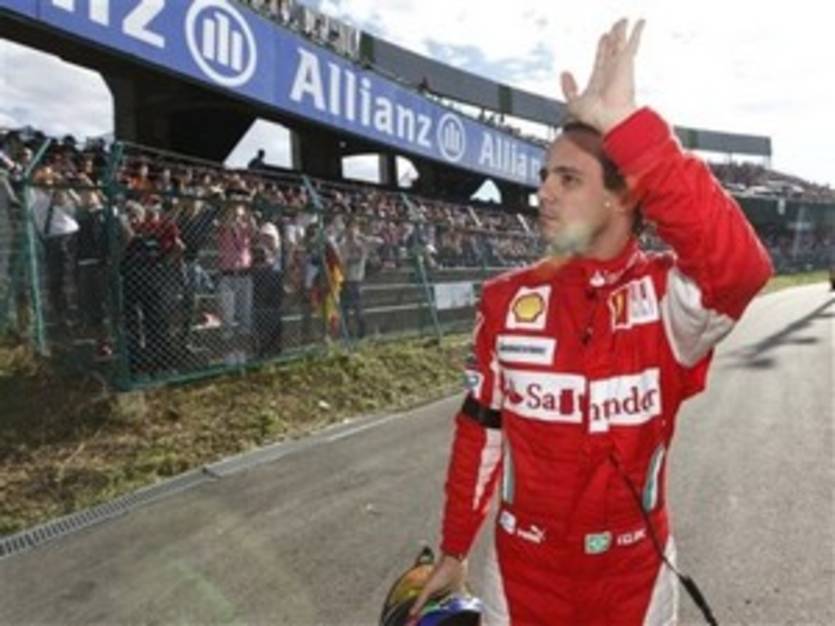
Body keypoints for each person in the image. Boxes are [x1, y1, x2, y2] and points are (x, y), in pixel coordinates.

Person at [409, 19, 773, 626]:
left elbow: (741, 268)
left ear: (621, 196)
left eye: (568, 178)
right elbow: (480, 431)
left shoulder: (668, 300)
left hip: (635, 581)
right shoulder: (506, 300)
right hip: (521, 580)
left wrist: (631, 129)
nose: (544, 193)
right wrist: (453, 549)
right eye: (544, 176)